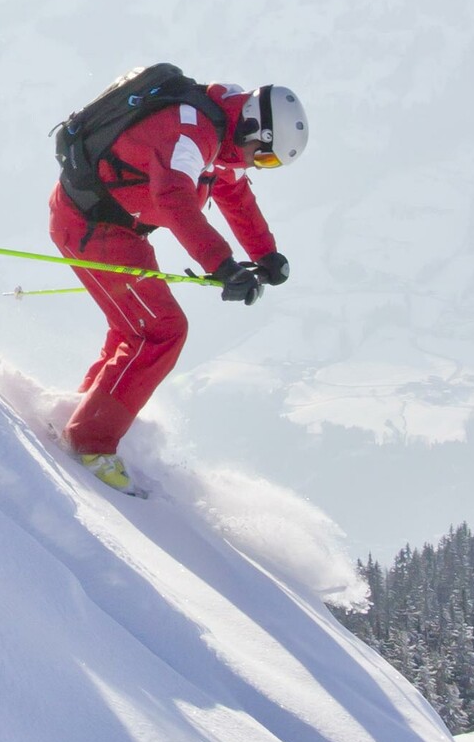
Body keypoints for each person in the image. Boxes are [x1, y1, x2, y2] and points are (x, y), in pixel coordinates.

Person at [49, 74, 308, 493]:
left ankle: (78, 411)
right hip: (92, 226)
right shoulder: (191, 133)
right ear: (253, 129)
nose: (257, 164)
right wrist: (222, 265)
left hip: (116, 228)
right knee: (161, 330)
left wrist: (265, 254)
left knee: (134, 328)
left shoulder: (224, 133)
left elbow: (234, 194)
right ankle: (89, 445)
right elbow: (174, 200)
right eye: (264, 157)